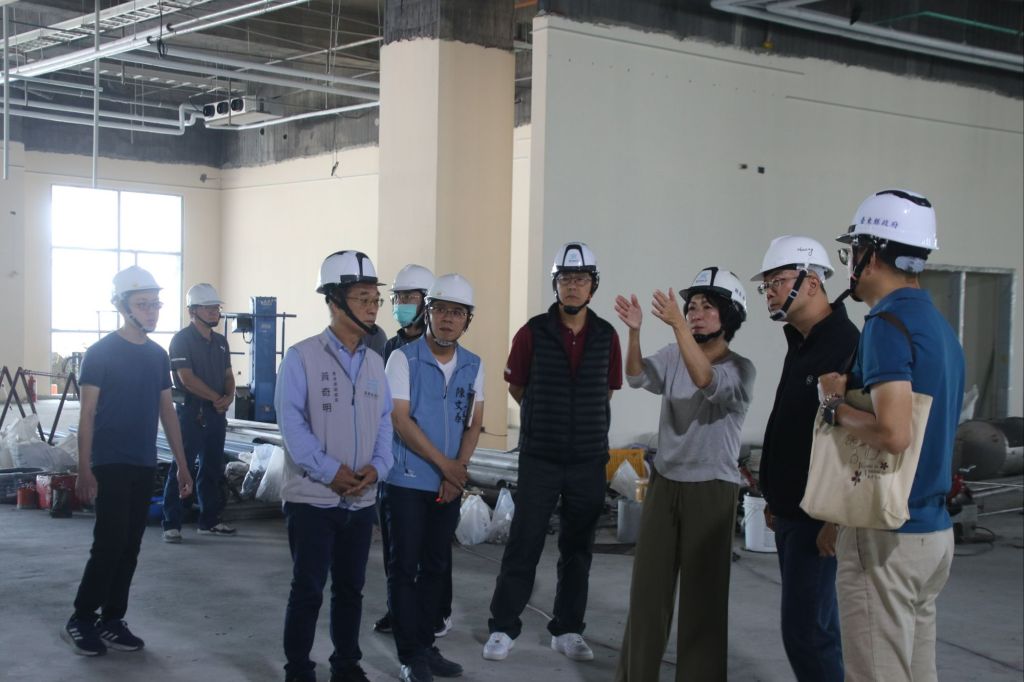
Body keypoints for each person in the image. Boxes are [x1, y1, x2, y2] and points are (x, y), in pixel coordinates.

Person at [818, 189, 964, 682]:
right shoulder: (939, 328)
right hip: (932, 533)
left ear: (872, 255)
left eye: (854, 250)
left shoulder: (886, 324)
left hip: (887, 536)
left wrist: (834, 407)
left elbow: (894, 433)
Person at [614, 267, 755, 682]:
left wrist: (677, 325)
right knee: (647, 594)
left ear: (729, 315)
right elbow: (636, 376)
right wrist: (635, 332)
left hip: (712, 489)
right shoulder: (674, 353)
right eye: (691, 307)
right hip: (665, 482)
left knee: (703, 602)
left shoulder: (741, 369)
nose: (695, 314)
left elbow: (706, 379)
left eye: (706, 307)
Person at [484, 241, 622, 663]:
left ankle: (567, 629)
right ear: (555, 285)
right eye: (565, 279)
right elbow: (517, 387)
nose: (572, 286)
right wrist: (548, 416)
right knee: (524, 543)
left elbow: (607, 390)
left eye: (580, 279)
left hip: (588, 460)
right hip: (540, 458)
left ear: (593, 286)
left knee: (578, 549)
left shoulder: (607, 336)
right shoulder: (532, 332)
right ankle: (503, 627)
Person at [62, 266, 194, 656]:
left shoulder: (156, 355)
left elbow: (167, 411)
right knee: (109, 542)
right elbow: (87, 414)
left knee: (131, 545)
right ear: (122, 306)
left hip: (143, 461)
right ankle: (81, 618)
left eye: (156, 304)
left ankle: (112, 619)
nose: (152, 311)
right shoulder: (100, 354)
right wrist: (84, 468)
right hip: (109, 462)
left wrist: (182, 464)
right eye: (143, 304)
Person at [274, 250, 394, 682]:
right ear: (334, 301)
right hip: (313, 499)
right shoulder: (302, 357)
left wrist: (378, 467)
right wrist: (331, 472)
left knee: (351, 590)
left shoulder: (375, 362)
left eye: (375, 299)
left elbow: (385, 423)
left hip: (360, 500)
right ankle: (298, 669)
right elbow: (291, 425)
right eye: (363, 298)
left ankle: (347, 665)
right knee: (308, 589)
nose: (372, 307)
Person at [751, 237, 858, 682]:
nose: (770, 292)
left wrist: (836, 518)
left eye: (777, 281)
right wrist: (774, 495)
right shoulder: (801, 342)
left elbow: (852, 442)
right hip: (793, 510)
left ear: (811, 282)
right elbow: (792, 424)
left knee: (809, 632)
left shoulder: (845, 344)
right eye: (766, 285)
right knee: (806, 628)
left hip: (819, 517)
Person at [381, 273, 485, 682]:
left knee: (437, 566)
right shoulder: (402, 359)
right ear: (428, 313)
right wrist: (447, 466)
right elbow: (400, 420)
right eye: (440, 309)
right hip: (406, 481)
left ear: (467, 320)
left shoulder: (474, 365)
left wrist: (457, 470)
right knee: (404, 567)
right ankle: (410, 655)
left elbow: (474, 423)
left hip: (447, 483)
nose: (447, 319)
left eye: (457, 312)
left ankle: (425, 645)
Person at [374, 264, 448, 638]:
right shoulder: (391, 347)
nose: (402, 304)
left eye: (409, 297)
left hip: (431, 460)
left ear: (426, 302)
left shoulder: (441, 349)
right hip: (395, 461)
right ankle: (398, 610)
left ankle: (436, 613)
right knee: (397, 545)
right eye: (398, 297)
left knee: (433, 549)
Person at [162, 283, 236, 542]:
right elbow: (187, 379)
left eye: (216, 307)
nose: (214, 312)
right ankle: (171, 523)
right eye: (208, 308)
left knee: (212, 467)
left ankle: (209, 520)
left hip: (216, 413)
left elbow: (228, 375)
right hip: (191, 412)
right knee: (181, 466)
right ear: (192, 311)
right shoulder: (181, 340)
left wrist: (229, 396)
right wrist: (218, 399)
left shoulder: (221, 342)